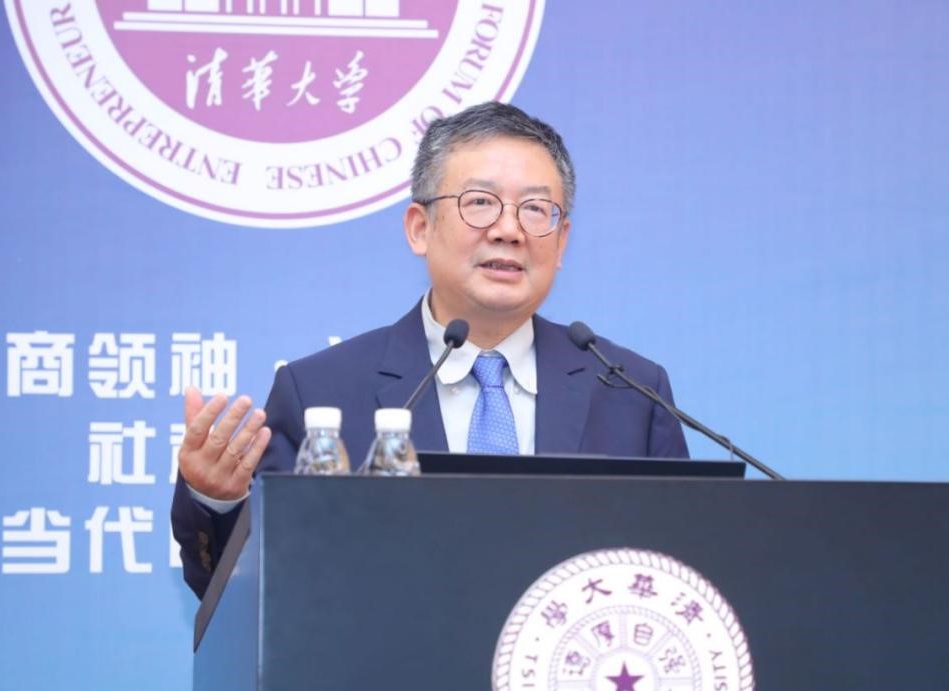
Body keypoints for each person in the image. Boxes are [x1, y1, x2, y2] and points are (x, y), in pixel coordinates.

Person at [172, 101, 688, 598]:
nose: (509, 231)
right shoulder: (320, 392)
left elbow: (681, 576)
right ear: (420, 228)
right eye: (480, 202)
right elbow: (253, 591)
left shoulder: (631, 394)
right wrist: (217, 503)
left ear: (562, 241)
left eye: (535, 210)